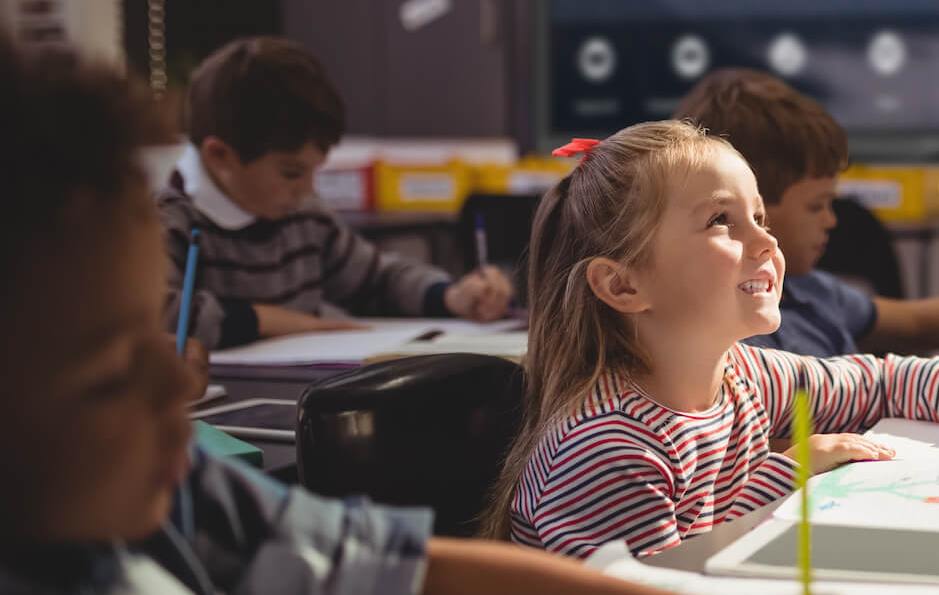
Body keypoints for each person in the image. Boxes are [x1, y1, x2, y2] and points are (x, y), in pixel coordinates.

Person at [0, 36, 678, 595]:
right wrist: (280, 319)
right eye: (111, 372)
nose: (180, 382)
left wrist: (447, 296)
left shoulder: (171, 496)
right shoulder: (169, 223)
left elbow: (389, 567)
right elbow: (185, 308)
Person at [480, 121, 939, 557]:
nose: (767, 244)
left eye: (760, 217)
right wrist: (786, 473)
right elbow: (679, 580)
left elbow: (885, 380)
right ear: (623, 284)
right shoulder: (605, 449)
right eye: (722, 221)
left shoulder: (746, 375)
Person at [674, 69, 939, 366]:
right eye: (816, 205)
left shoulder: (807, 290)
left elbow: (915, 320)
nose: (832, 221)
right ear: (750, 210)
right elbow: (791, 446)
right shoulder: (733, 336)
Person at [161, 37, 512, 351]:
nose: (308, 189)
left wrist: (451, 296)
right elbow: (156, 315)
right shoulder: (167, 221)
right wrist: (273, 321)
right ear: (220, 156)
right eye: (292, 173)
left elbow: (376, 279)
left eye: (314, 171)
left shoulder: (304, 215)